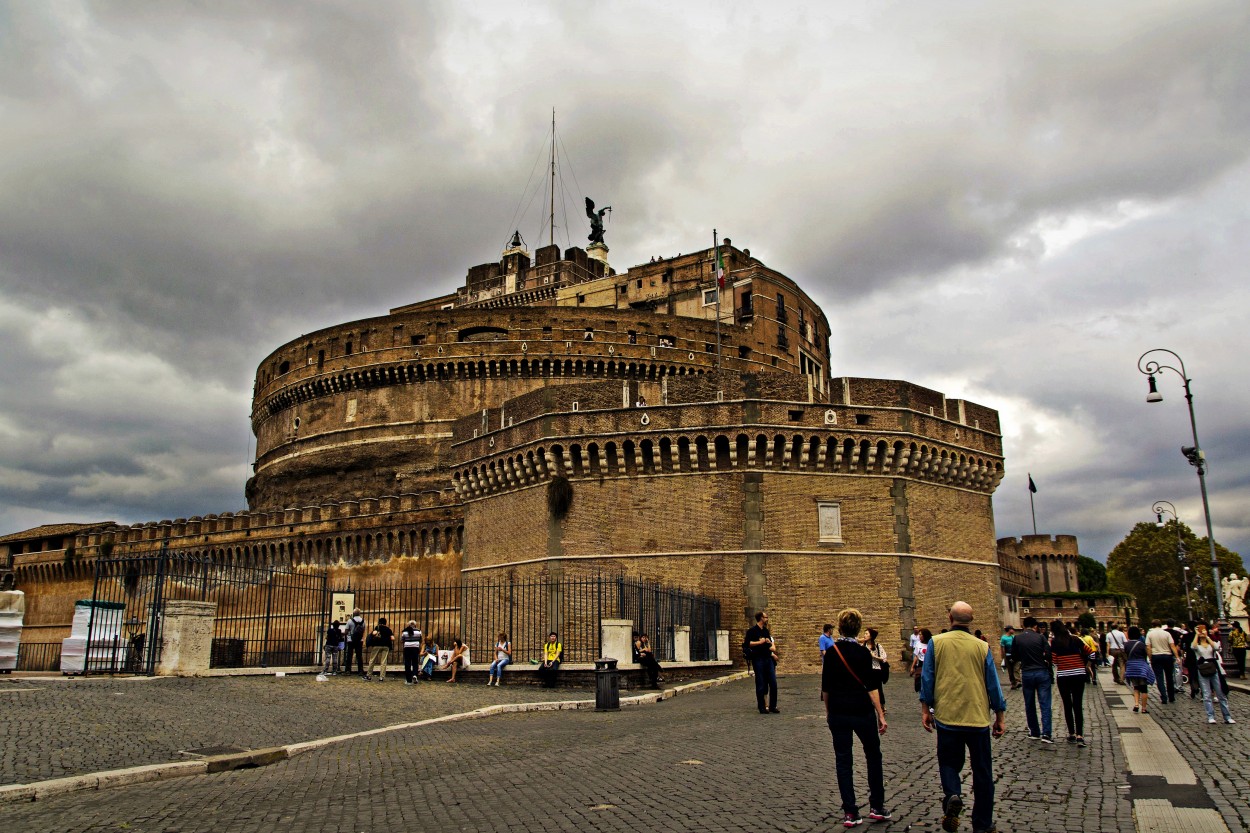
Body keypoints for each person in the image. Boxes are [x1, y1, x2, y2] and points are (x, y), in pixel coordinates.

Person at [919, 601, 1006, 833]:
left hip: (948, 717)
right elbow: (993, 685)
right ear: (972, 620)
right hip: (977, 718)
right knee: (983, 772)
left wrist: (925, 710)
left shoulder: (936, 643)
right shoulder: (982, 647)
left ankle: (953, 795)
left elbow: (927, 679)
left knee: (948, 762)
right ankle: (983, 824)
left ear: (950, 618)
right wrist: (1000, 715)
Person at [823, 608, 890, 828]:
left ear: (839, 627)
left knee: (843, 760)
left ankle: (850, 812)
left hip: (839, 712)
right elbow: (872, 688)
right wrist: (880, 713)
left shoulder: (832, 652)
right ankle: (877, 806)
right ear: (858, 628)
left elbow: (826, 689)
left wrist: (828, 713)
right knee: (873, 756)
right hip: (862, 711)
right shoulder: (864, 654)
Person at [1050, 620, 1093, 747]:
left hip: (1064, 676)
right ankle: (1080, 736)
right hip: (1079, 675)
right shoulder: (1075, 639)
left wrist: (1064, 663)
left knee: (1067, 705)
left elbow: (1054, 660)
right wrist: (1086, 665)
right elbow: (1091, 652)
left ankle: (1072, 734)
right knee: (1078, 704)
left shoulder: (1055, 642)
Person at [1014, 617, 1053, 742]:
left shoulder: (1017, 638)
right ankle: (1046, 733)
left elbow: (1014, 655)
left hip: (1027, 672)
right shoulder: (1041, 637)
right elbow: (1048, 654)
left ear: (1023, 625)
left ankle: (1034, 732)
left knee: (1029, 704)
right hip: (1041, 671)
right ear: (1035, 626)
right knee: (1045, 703)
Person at [1191, 623, 1235, 724]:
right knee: (1206, 694)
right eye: (1200, 630)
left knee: (1221, 693)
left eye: (1204, 630)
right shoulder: (1197, 645)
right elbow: (1193, 647)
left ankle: (1227, 717)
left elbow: (1216, 647)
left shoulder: (1211, 643)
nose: (1202, 632)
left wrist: (1207, 636)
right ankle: (1211, 716)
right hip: (1202, 669)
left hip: (1213, 668)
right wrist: (1197, 634)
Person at [745, 611, 779, 714]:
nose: (767, 619)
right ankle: (762, 707)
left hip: (768, 658)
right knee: (760, 683)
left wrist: (768, 642)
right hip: (758, 659)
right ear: (761, 618)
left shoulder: (766, 631)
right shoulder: (752, 631)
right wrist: (760, 642)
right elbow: (747, 644)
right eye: (766, 617)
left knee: (773, 683)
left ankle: (773, 706)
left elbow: (770, 645)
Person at [1144, 620, 1178, 704]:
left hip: (1156, 656)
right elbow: (1172, 645)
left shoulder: (1150, 634)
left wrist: (1150, 657)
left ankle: (1164, 697)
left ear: (1152, 625)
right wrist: (1177, 656)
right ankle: (1171, 696)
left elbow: (1148, 647)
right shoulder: (1166, 633)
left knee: (1159, 678)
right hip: (1167, 656)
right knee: (1169, 677)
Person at [1123, 626, 1155, 713]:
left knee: (1136, 687)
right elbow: (1146, 655)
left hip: (1131, 667)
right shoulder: (1141, 644)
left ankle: (1136, 704)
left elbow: (1125, 656)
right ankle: (1144, 708)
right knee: (1144, 688)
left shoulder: (1126, 645)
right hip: (1141, 667)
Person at [863, 627, 888, 711]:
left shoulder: (878, 646)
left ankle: (882, 705)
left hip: (876, 670)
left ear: (871, 636)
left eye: (866, 634)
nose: (864, 635)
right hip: (866, 670)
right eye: (865, 633)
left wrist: (874, 657)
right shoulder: (863, 646)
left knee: (878, 688)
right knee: (867, 688)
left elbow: (884, 658)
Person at [364, 616, 393, 681]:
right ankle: (381, 677)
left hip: (377, 645)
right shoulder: (389, 630)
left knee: (372, 660)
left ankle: (369, 675)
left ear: (379, 622)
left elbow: (374, 633)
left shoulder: (377, 628)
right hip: (386, 646)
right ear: (385, 623)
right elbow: (392, 638)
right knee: (383, 662)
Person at [399, 620, 423, 685]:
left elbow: (402, 640)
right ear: (415, 625)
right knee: (415, 662)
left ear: (409, 625)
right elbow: (420, 640)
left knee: (407, 664)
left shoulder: (405, 632)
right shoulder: (419, 631)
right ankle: (415, 674)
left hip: (407, 648)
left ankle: (408, 680)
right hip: (415, 648)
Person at [345, 608, 366, 677]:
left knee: (349, 655)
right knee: (359, 656)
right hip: (360, 640)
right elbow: (363, 630)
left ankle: (348, 670)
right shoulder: (363, 621)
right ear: (359, 613)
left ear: (353, 613)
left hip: (351, 640)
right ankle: (360, 670)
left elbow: (346, 631)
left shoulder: (350, 621)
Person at [910, 628, 932, 695]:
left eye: (920, 634)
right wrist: (912, 667)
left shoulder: (931, 643)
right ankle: (921, 692)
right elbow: (916, 656)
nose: (919, 636)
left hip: (929, 664)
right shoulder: (918, 644)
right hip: (921, 664)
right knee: (919, 678)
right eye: (919, 634)